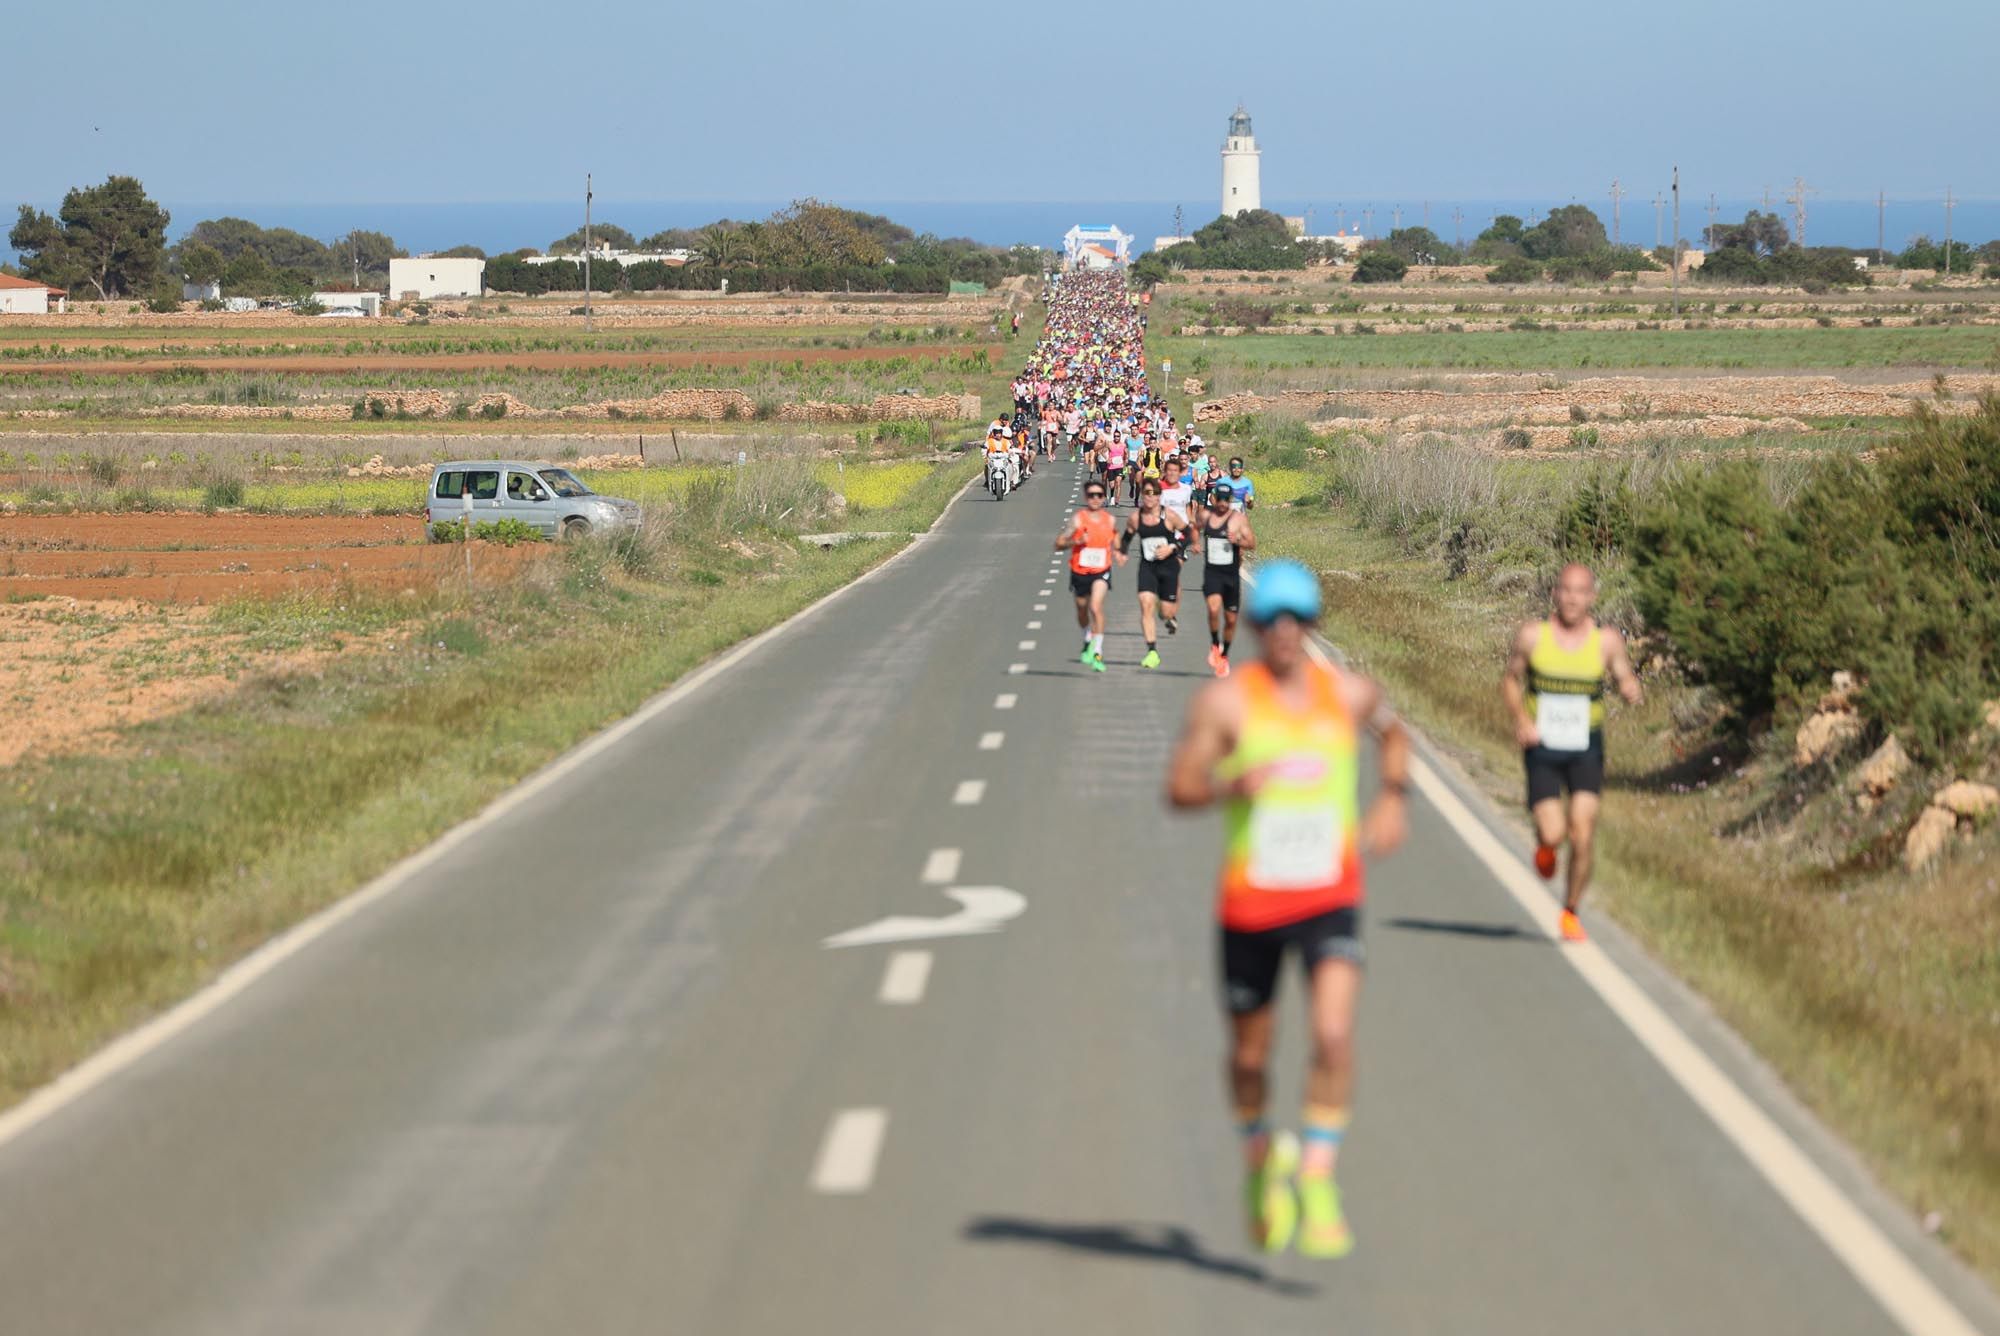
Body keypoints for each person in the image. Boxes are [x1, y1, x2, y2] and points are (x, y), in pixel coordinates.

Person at [1166, 560, 1410, 1259]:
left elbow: (1394, 735)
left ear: (1311, 626)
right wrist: (1229, 783)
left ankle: (1316, 1173)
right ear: (1253, 629)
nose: (1282, 633)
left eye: (1295, 621)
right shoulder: (1226, 706)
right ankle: (1258, 1159)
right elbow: (1180, 787)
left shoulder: (1350, 695)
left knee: (1333, 1036)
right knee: (1251, 1057)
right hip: (1252, 904)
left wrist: (1393, 799)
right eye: (1269, 621)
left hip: (1330, 896)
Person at [1500, 562, 1643, 942]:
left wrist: (1630, 689)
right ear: (1555, 594)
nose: (1572, 598)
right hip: (1542, 746)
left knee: (1583, 832)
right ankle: (1546, 847)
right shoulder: (1533, 636)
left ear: (1591, 597)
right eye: (1566, 590)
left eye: (1580, 591)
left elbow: (1623, 674)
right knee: (1554, 831)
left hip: (1586, 747)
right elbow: (1511, 681)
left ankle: (1570, 911)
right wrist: (1520, 718)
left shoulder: (1606, 640)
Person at [1120, 477, 1190, 668]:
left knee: (1166, 612)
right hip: (1148, 566)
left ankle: (1166, 613)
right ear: (1142, 495)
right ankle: (1152, 651)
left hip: (1168, 567)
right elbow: (1126, 538)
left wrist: (1173, 547)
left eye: (1154, 493)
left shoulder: (1169, 516)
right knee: (1145, 604)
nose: (1150, 497)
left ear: (1160, 496)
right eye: (1146, 493)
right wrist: (1122, 553)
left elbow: (1189, 534)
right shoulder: (1136, 517)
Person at [1057, 479, 1124, 672]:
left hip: (1101, 570)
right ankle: (1087, 636)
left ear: (1104, 498)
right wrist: (1077, 541)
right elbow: (1059, 543)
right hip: (1079, 570)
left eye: (1099, 495)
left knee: (1096, 606)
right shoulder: (1078, 519)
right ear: (1086, 498)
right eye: (1091, 495)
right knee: (1082, 610)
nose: (1095, 499)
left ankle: (1098, 650)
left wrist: (1119, 552)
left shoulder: (1109, 520)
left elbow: (1116, 538)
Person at [1199, 483, 1255, 678]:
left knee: (1231, 620)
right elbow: (1193, 528)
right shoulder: (1206, 516)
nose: (1222, 503)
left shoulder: (1238, 519)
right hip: (1212, 572)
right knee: (1213, 609)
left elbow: (1252, 543)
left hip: (1231, 574)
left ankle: (1224, 655)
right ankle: (1215, 644)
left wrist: (1237, 540)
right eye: (1219, 499)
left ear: (1230, 500)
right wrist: (1195, 543)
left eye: (1226, 500)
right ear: (1214, 499)